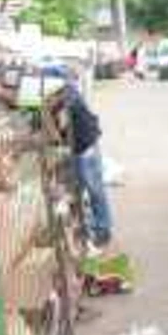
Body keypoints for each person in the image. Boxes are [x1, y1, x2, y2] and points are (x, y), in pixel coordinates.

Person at [41, 63, 114, 250]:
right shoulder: (52, 100)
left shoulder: (70, 96)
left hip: (85, 146)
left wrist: (46, 112)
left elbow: (56, 133)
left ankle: (102, 230)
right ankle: (79, 229)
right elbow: (54, 134)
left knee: (94, 187)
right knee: (71, 190)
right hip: (72, 148)